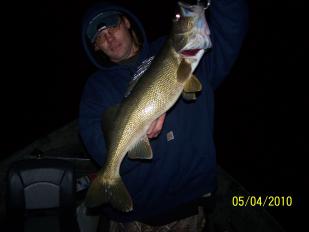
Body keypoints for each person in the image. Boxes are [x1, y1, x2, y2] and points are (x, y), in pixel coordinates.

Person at [79, 0, 248, 231]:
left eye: (112, 25)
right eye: (99, 36)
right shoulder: (97, 87)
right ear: (96, 47)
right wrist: (132, 143)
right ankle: (111, 179)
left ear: (126, 22)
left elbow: (231, 24)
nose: (108, 37)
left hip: (187, 209)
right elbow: (96, 142)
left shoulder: (189, 57)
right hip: (133, 220)